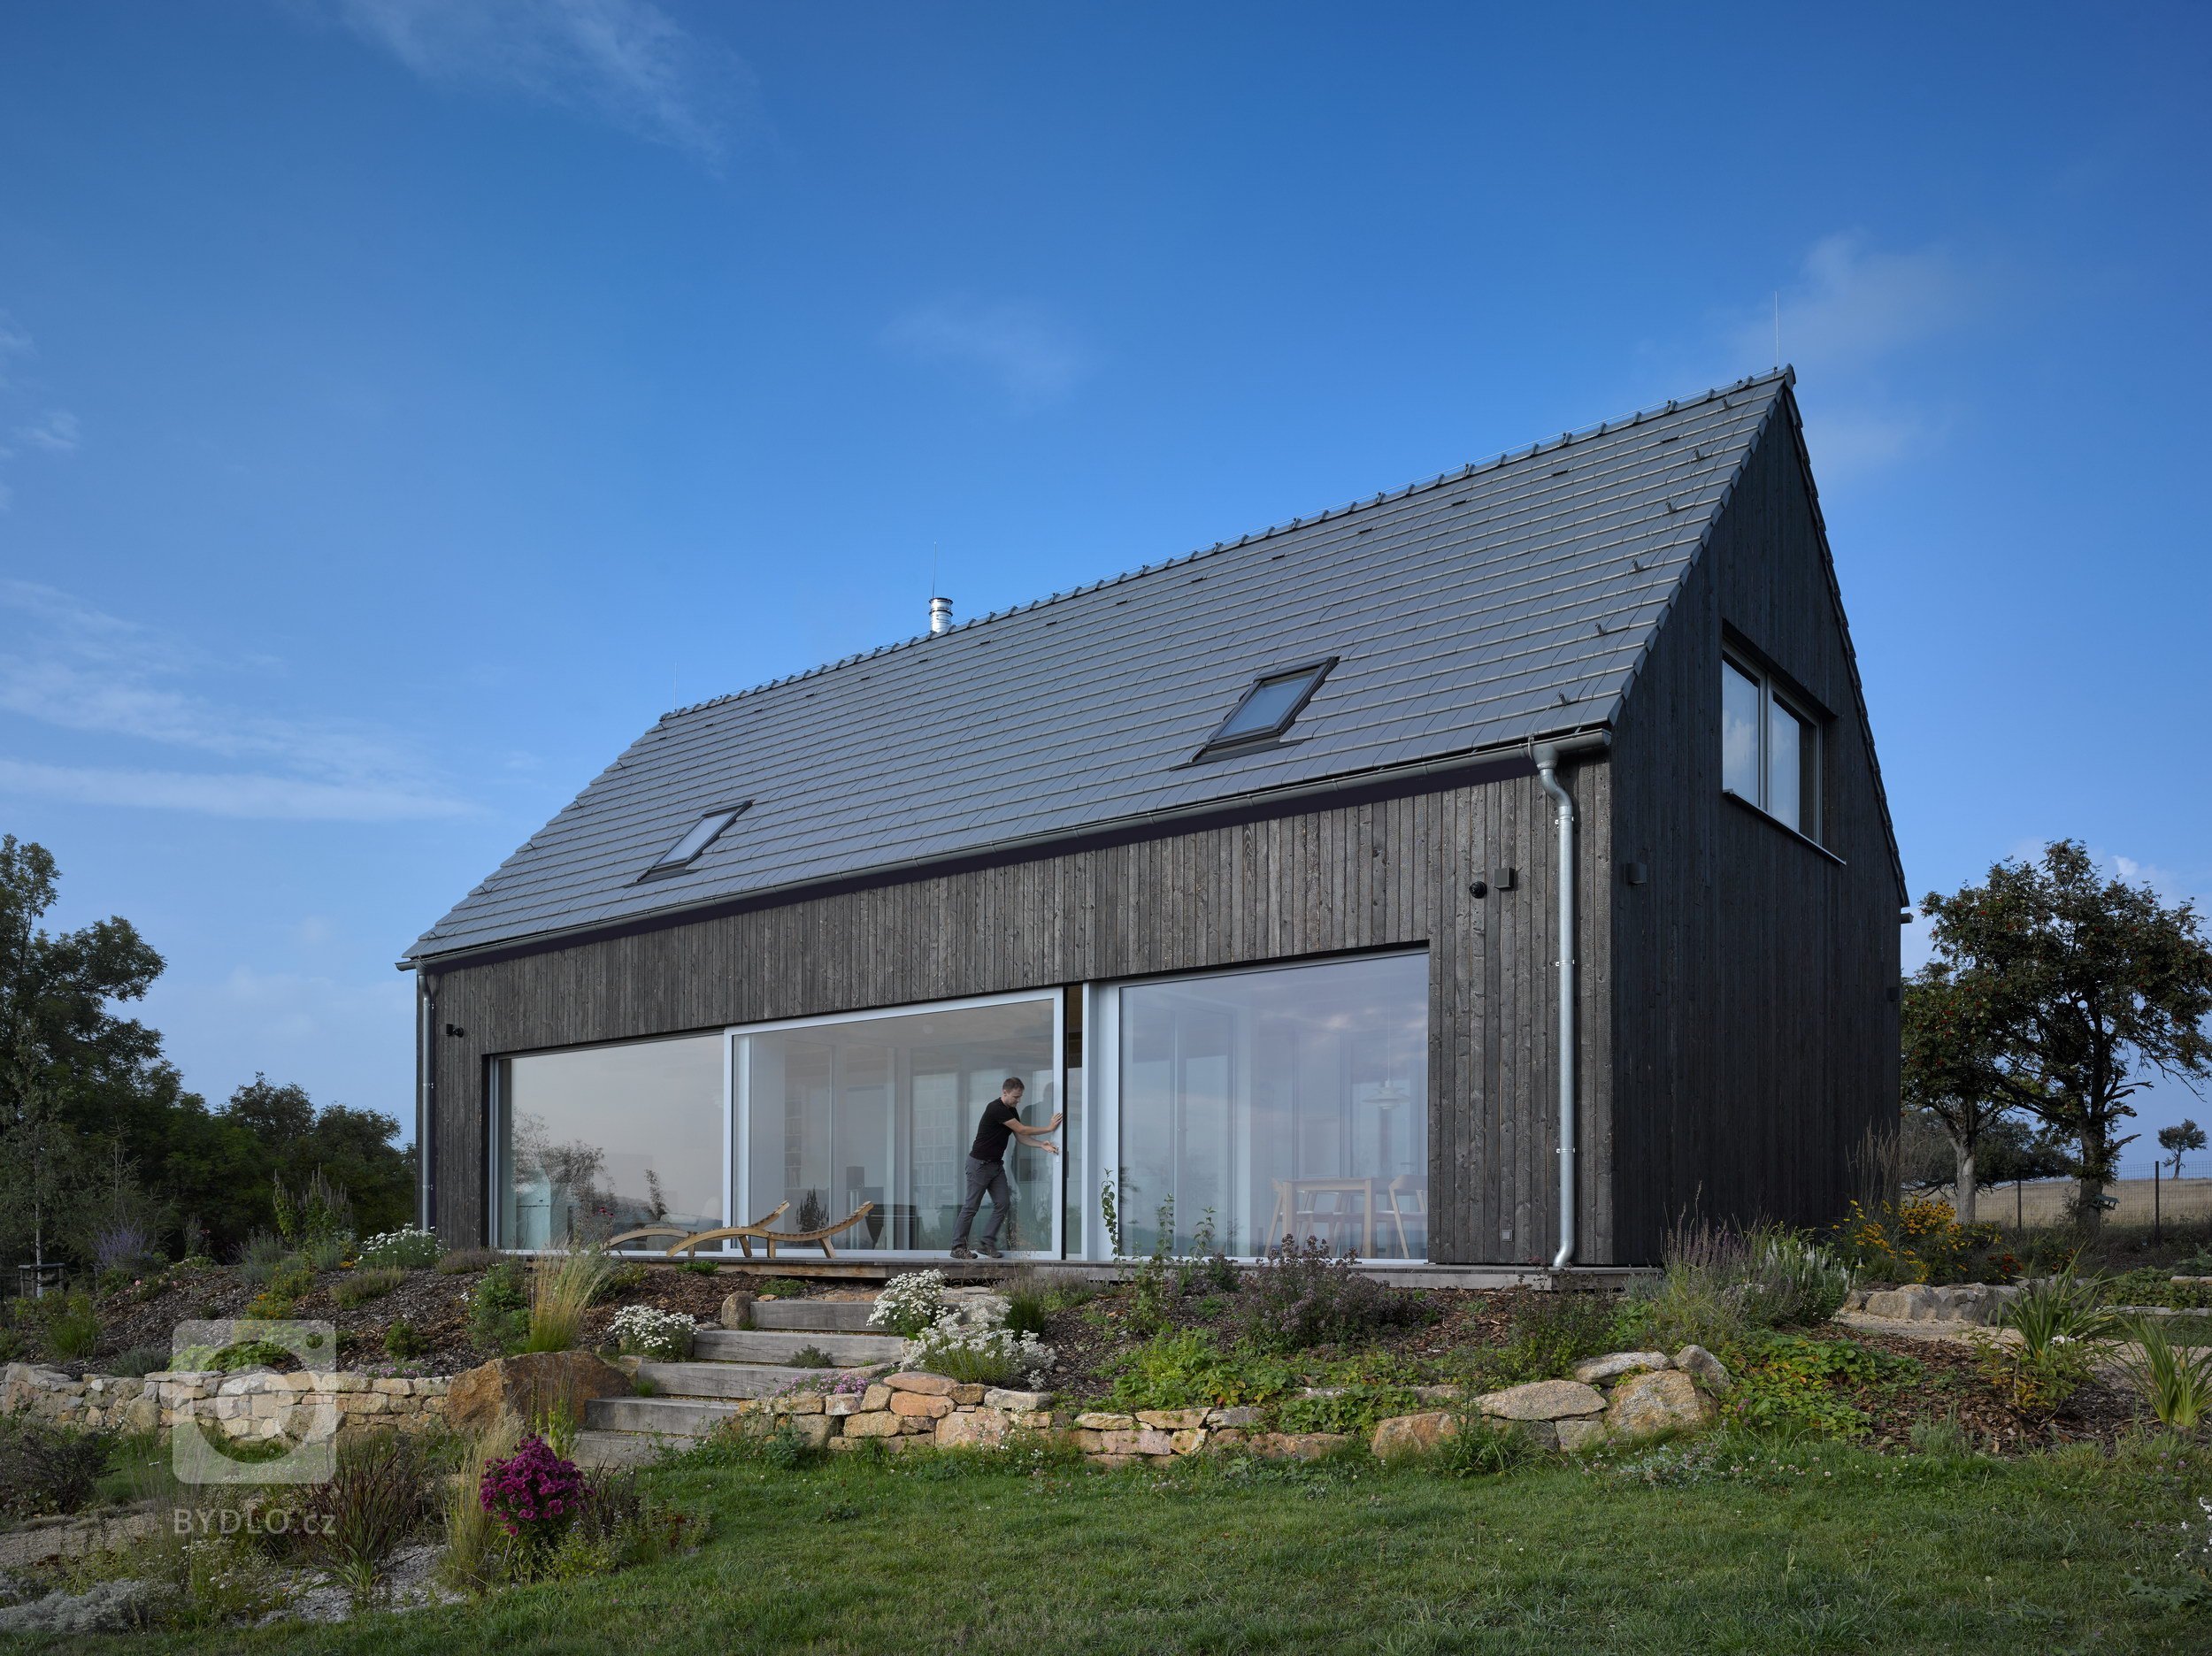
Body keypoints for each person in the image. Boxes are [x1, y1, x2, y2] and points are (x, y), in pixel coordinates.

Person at [949, 1077, 1061, 1260]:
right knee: (971, 1206)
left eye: (1020, 1097)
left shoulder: (1012, 1111)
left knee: (1003, 1203)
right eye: (1016, 1097)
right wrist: (1049, 1128)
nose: (1018, 1100)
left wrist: (1041, 1145)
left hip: (995, 1165)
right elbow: (1023, 1129)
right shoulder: (996, 1108)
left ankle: (987, 1243)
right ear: (1005, 1092)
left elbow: (1020, 1137)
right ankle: (958, 1247)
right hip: (979, 1164)